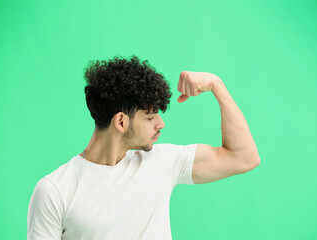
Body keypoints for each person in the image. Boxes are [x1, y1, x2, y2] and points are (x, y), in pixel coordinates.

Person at [27, 55, 260, 240]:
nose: (161, 124)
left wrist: (216, 84)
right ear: (121, 121)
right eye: (150, 117)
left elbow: (244, 157)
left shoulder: (162, 162)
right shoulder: (54, 191)